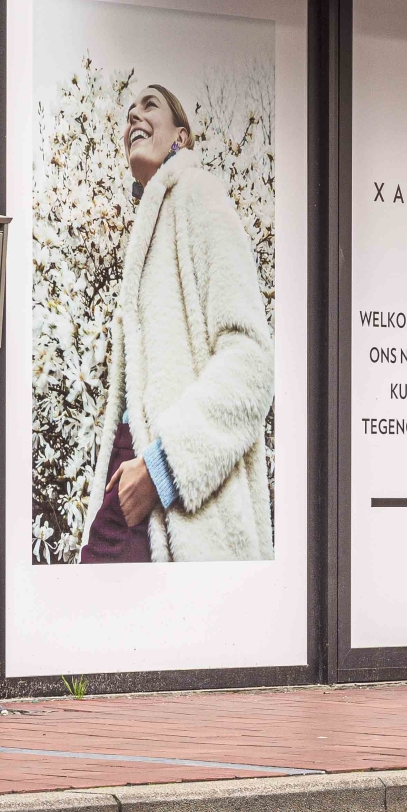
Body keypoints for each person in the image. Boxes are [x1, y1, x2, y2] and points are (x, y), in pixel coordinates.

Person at [77, 83, 275, 564]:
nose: (134, 117)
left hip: (177, 484)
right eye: (128, 112)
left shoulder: (200, 196)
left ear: (181, 137)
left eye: (150, 106)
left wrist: (164, 469)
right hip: (136, 466)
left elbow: (251, 361)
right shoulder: (150, 229)